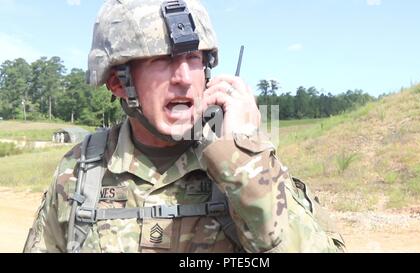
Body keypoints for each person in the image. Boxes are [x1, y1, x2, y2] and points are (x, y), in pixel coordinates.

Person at [23, 0, 345, 253]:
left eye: (193, 58)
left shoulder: (243, 162)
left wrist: (244, 156)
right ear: (117, 82)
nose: (183, 78)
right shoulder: (80, 173)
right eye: (161, 60)